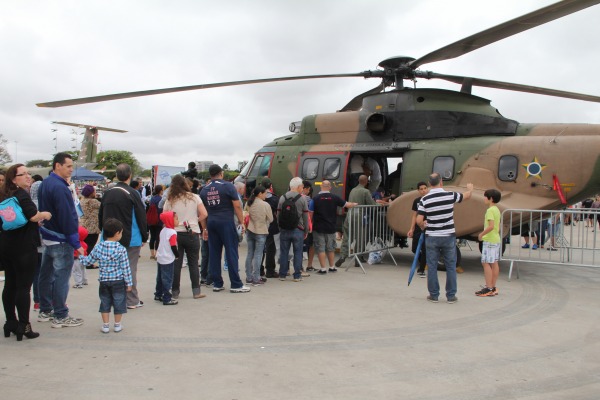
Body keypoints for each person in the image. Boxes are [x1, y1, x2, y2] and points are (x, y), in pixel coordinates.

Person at [1, 164, 52, 341]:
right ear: (14, 179)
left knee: (10, 284)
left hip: (7, 245)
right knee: (23, 288)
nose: (27, 177)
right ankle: (24, 324)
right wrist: (44, 214)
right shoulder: (22, 194)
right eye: (23, 174)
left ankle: (10, 322)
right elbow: (33, 215)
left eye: (28, 173)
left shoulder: (4, 194)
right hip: (24, 247)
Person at [37, 153, 85, 328]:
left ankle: (45, 309)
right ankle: (60, 315)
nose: (71, 169)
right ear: (58, 166)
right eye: (68, 166)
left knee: (46, 275)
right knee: (61, 278)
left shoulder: (45, 183)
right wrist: (75, 242)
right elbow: (67, 216)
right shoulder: (59, 187)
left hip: (48, 236)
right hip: (60, 238)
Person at [416, 173, 473, 304]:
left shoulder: (424, 199)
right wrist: (470, 189)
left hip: (432, 236)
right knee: (451, 266)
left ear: (430, 184)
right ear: (441, 182)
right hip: (448, 235)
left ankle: (434, 295)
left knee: (431, 266)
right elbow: (466, 196)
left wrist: (423, 225)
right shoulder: (450, 195)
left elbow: (419, 219)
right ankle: (451, 296)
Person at [99, 163, 148, 310]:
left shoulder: (107, 192)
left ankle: (113, 298)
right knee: (129, 269)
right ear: (130, 175)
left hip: (108, 238)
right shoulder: (132, 193)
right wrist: (144, 235)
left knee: (111, 269)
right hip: (130, 237)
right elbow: (141, 216)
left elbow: (100, 215)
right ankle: (131, 299)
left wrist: (103, 233)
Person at [199, 164, 250, 293]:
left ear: (210, 175)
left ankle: (217, 283)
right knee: (231, 252)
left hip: (211, 222)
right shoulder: (227, 186)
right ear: (221, 173)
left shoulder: (204, 189)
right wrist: (241, 222)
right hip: (226, 222)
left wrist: (204, 228)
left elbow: (202, 212)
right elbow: (237, 206)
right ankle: (236, 284)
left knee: (214, 253)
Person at [79, 218, 132, 333]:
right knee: (119, 302)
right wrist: (129, 283)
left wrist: (81, 255)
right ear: (117, 233)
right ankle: (117, 325)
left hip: (104, 281)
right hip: (118, 280)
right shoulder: (121, 249)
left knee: (105, 301)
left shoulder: (98, 247)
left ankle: (106, 325)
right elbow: (125, 267)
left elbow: (88, 261)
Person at [163, 174, 207, 299]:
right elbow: (204, 213)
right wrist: (194, 220)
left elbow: (164, 216)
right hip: (191, 232)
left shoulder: (170, 199)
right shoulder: (194, 197)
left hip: (174, 233)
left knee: (176, 263)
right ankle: (196, 291)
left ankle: (175, 291)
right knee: (193, 263)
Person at [309, 180, 356, 274]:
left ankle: (323, 268)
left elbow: (310, 214)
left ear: (321, 187)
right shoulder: (335, 198)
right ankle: (332, 267)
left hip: (318, 227)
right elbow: (347, 205)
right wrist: (355, 204)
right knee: (331, 248)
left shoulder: (315, 199)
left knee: (320, 248)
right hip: (331, 227)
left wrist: (309, 225)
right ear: (330, 187)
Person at [335, 175, 378, 268]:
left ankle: (343, 256)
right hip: (360, 216)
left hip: (349, 215)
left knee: (347, 236)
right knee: (360, 237)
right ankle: (357, 258)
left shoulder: (353, 190)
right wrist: (379, 204)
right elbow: (372, 205)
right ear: (366, 181)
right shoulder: (366, 191)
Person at [277, 177, 310, 282]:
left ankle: (282, 274)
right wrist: (306, 230)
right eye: (302, 187)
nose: (302, 188)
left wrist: (280, 227)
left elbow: (278, 214)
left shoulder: (282, 198)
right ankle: (297, 275)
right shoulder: (302, 198)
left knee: (284, 252)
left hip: (285, 229)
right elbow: (305, 216)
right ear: (299, 187)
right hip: (298, 229)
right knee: (298, 252)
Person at [244, 186, 273, 286]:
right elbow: (271, 219)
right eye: (265, 193)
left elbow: (245, 215)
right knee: (258, 255)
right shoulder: (265, 205)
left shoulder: (249, 203)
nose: (266, 195)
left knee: (250, 254)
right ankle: (256, 278)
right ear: (260, 194)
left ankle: (249, 277)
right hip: (261, 231)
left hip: (250, 230)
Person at [476, 189, 501, 297]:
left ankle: (488, 287)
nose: (484, 198)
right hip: (495, 239)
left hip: (489, 239)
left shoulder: (490, 210)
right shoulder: (496, 209)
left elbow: (490, 226)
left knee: (485, 262)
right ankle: (493, 286)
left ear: (491, 198)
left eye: (485, 196)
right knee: (494, 262)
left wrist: (481, 234)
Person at [154, 211, 180, 305]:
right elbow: (173, 246)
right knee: (168, 278)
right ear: (170, 220)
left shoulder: (163, 230)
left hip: (160, 256)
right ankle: (167, 298)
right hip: (168, 258)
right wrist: (177, 255)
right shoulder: (172, 232)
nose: (178, 221)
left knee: (160, 277)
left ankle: (158, 294)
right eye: (176, 219)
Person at [407, 181, 428, 277]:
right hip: (418, 228)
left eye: (425, 188)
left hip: (427, 227)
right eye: (421, 189)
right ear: (418, 190)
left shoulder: (430, 200)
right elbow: (414, 215)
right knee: (415, 248)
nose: (423, 190)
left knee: (424, 248)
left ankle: (422, 269)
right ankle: (424, 261)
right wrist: (411, 228)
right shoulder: (416, 201)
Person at [260, 178, 280, 279]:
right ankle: (270, 271)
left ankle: (259, 269)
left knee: (259, 248)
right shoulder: (275, 199)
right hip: (271, 226)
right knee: (270, 249)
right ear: (270, 186)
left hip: (258, 226)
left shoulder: (256, 197)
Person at [79, 184, 101, 256]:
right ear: (91, 193)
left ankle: (83, 258)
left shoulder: (82, 201)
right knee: (91, 245)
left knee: (84, 244)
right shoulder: (93, 201)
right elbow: (102, 206)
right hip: (92, 227)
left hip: (83, 225)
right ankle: (88, 262)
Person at [147, 184, 164, 260]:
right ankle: (157, 254)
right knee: (158, 237)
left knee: (152, 237)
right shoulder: (161, 199)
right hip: (159, 220)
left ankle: (152, 254)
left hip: (151, 220)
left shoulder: (152, 198)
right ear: (161, 191)